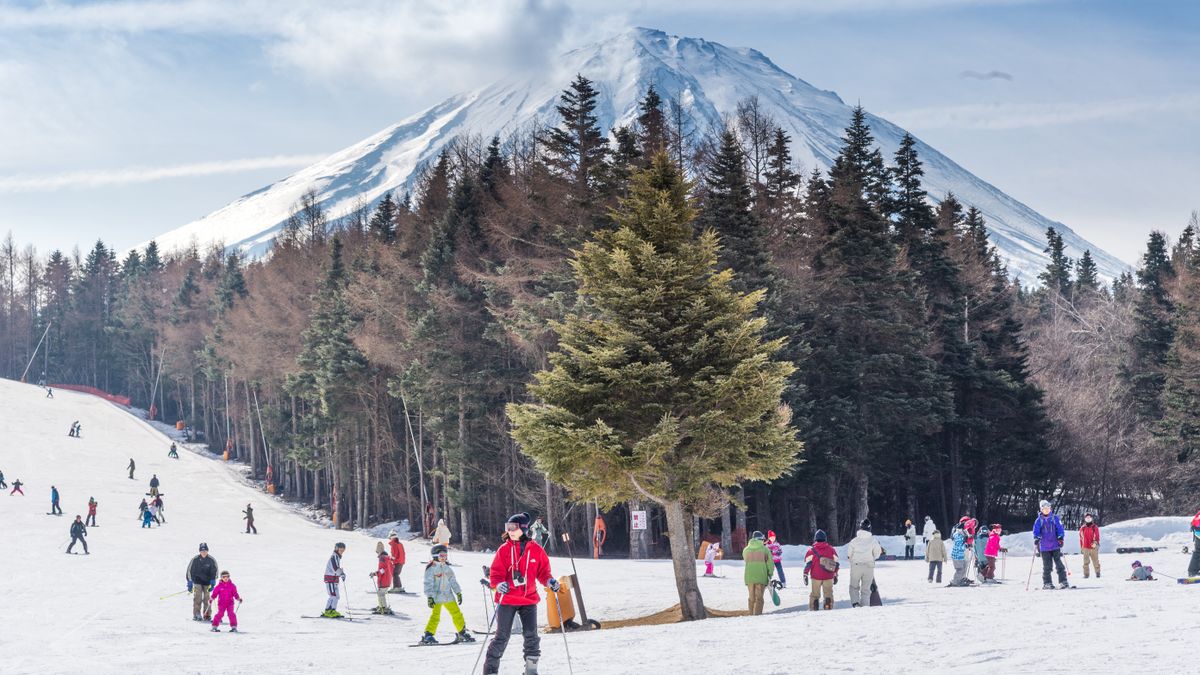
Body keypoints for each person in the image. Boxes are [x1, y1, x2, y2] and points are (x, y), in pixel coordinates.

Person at [483, 512, 558, 675]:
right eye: (507, 527)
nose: (509, 531)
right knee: (502, 636)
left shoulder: (537, 550)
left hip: (528, 600)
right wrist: (499, 584)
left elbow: (544, 572)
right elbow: (495, 574)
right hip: (507, 599)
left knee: (531, 636)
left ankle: (531, 670)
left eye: (513, 527)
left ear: (523, 529)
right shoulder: (504, 550)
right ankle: (490, 671)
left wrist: (550, 581)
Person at [421, 544, 473, 644]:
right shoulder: (431, 568)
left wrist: (458, 592)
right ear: (435, 556)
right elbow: (428, 583)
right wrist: (430, 597)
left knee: (457, 613)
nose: (444, 557)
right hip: (436, 596)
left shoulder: (447, 568)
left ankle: (462, 632)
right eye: (441, 555)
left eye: (445, 555)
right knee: (435, 616)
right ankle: (428, 635)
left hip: (448, 596)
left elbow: (453, 581)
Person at [845, 519, 883, 607]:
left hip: (856, 566)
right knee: (866, 589)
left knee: (854, 586)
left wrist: (853, 562)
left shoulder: (854, 541)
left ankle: (855, 603)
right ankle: (865, 606)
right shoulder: (873, 540)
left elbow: (849, 555)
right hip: (869, 566)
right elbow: (877, 554)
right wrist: (871, 558)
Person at [1033, 499, 1069, 589]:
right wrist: (1036, 538)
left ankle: (1063, 581)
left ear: (1050, 508)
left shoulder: (1054, 518)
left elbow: (1060, 528)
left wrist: (1060, 537)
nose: (1046, 510)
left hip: (1055, 545)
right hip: (1044, 547)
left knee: (1059, 564)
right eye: (1044, 508)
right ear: (1041, 510)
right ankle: (1047, 583)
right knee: (1047, 566)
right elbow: (1036, 531)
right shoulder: (1038, 520)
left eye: (1048, 508)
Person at [803, 529, 838, 611]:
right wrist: (835, 574)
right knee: (828, 593)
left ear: (815, 539)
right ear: (825, 538)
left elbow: (808, 564)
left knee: (815, 594)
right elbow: (836, 563)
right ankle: (828, 606)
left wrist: (805, 574)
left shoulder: (811, 551)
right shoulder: (831, 549)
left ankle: (814, 607)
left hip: (816, 576)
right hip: (828, 576)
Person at [742, 530, 774, 615]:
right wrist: (770, 574)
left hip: (749, 578)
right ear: (761, 539)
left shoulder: (746, 550)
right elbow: (770, 563)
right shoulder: (765, 550)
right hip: (761, 576)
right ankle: (757, 616)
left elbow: (745, 559)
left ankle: (751, 614)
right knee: (759, 598)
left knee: (751, 598)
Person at [187, 543, 219, 621]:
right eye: (202, 551)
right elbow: (189, 571)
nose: (204, 552)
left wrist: (212, 581)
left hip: (207, 582)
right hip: (197, 581)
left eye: (205, 550)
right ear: (200, 551)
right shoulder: (195, 559)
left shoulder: (211, 560)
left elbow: (215, 571)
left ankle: (207, 614)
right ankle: (196, 614)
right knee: (197, 597)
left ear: (207, 551)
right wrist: (190, 582)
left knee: (207, 598)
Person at [322, 542, 348, 618]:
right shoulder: (334, 557)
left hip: (334, 578)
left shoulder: (337, 557)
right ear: (336, 549)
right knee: (333, 595)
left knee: (336, 596)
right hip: (330, 578)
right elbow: (335, 568)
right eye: (340, 550)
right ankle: (328, 611)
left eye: (343, 550)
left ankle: (332, 610)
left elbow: (336, 569)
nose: (342, 551)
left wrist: (341, 573)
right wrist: (341, 573)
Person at [369, 542, 394, 614]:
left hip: (384, 580)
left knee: (380, 594)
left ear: (379, 551)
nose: (377, 554)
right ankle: (381, 606)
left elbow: (382, 570)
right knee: (381, 593)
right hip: (388, 579)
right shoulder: (387, 558)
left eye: (377, 552)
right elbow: (390, 568)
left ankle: (384, 608)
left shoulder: (382, 558)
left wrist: (375, 573)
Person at [1079, 513, 1101, 578]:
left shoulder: (1095, 527)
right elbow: (1081, 538)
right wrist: (1081, 547)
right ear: (1085, 519)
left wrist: (1095, 543)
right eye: (1087, 518)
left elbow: (1097, 536)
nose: (1088, 519)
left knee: (1095, 561)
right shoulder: (1082, 528)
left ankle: (1098, 572)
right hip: (1085, 547)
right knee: (1085, 562)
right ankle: (1086, 574)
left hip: (1093, 547)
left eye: (1089, 518)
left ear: (1091, 518)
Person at [949, 519, 970, 586]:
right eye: (965, 529)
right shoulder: (958, 535)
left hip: (960, 556)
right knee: (960, 570)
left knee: (963, 568)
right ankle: (955, 581)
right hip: (957, 556)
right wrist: (965, 545)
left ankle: (960, 580)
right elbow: (959, 545)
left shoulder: (961, 534)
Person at [1188, 511, 1200, 578]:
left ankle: (1192, 571)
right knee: (1198, 551)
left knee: (1198, 551)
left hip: (1197, 531)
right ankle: (1192, 572)